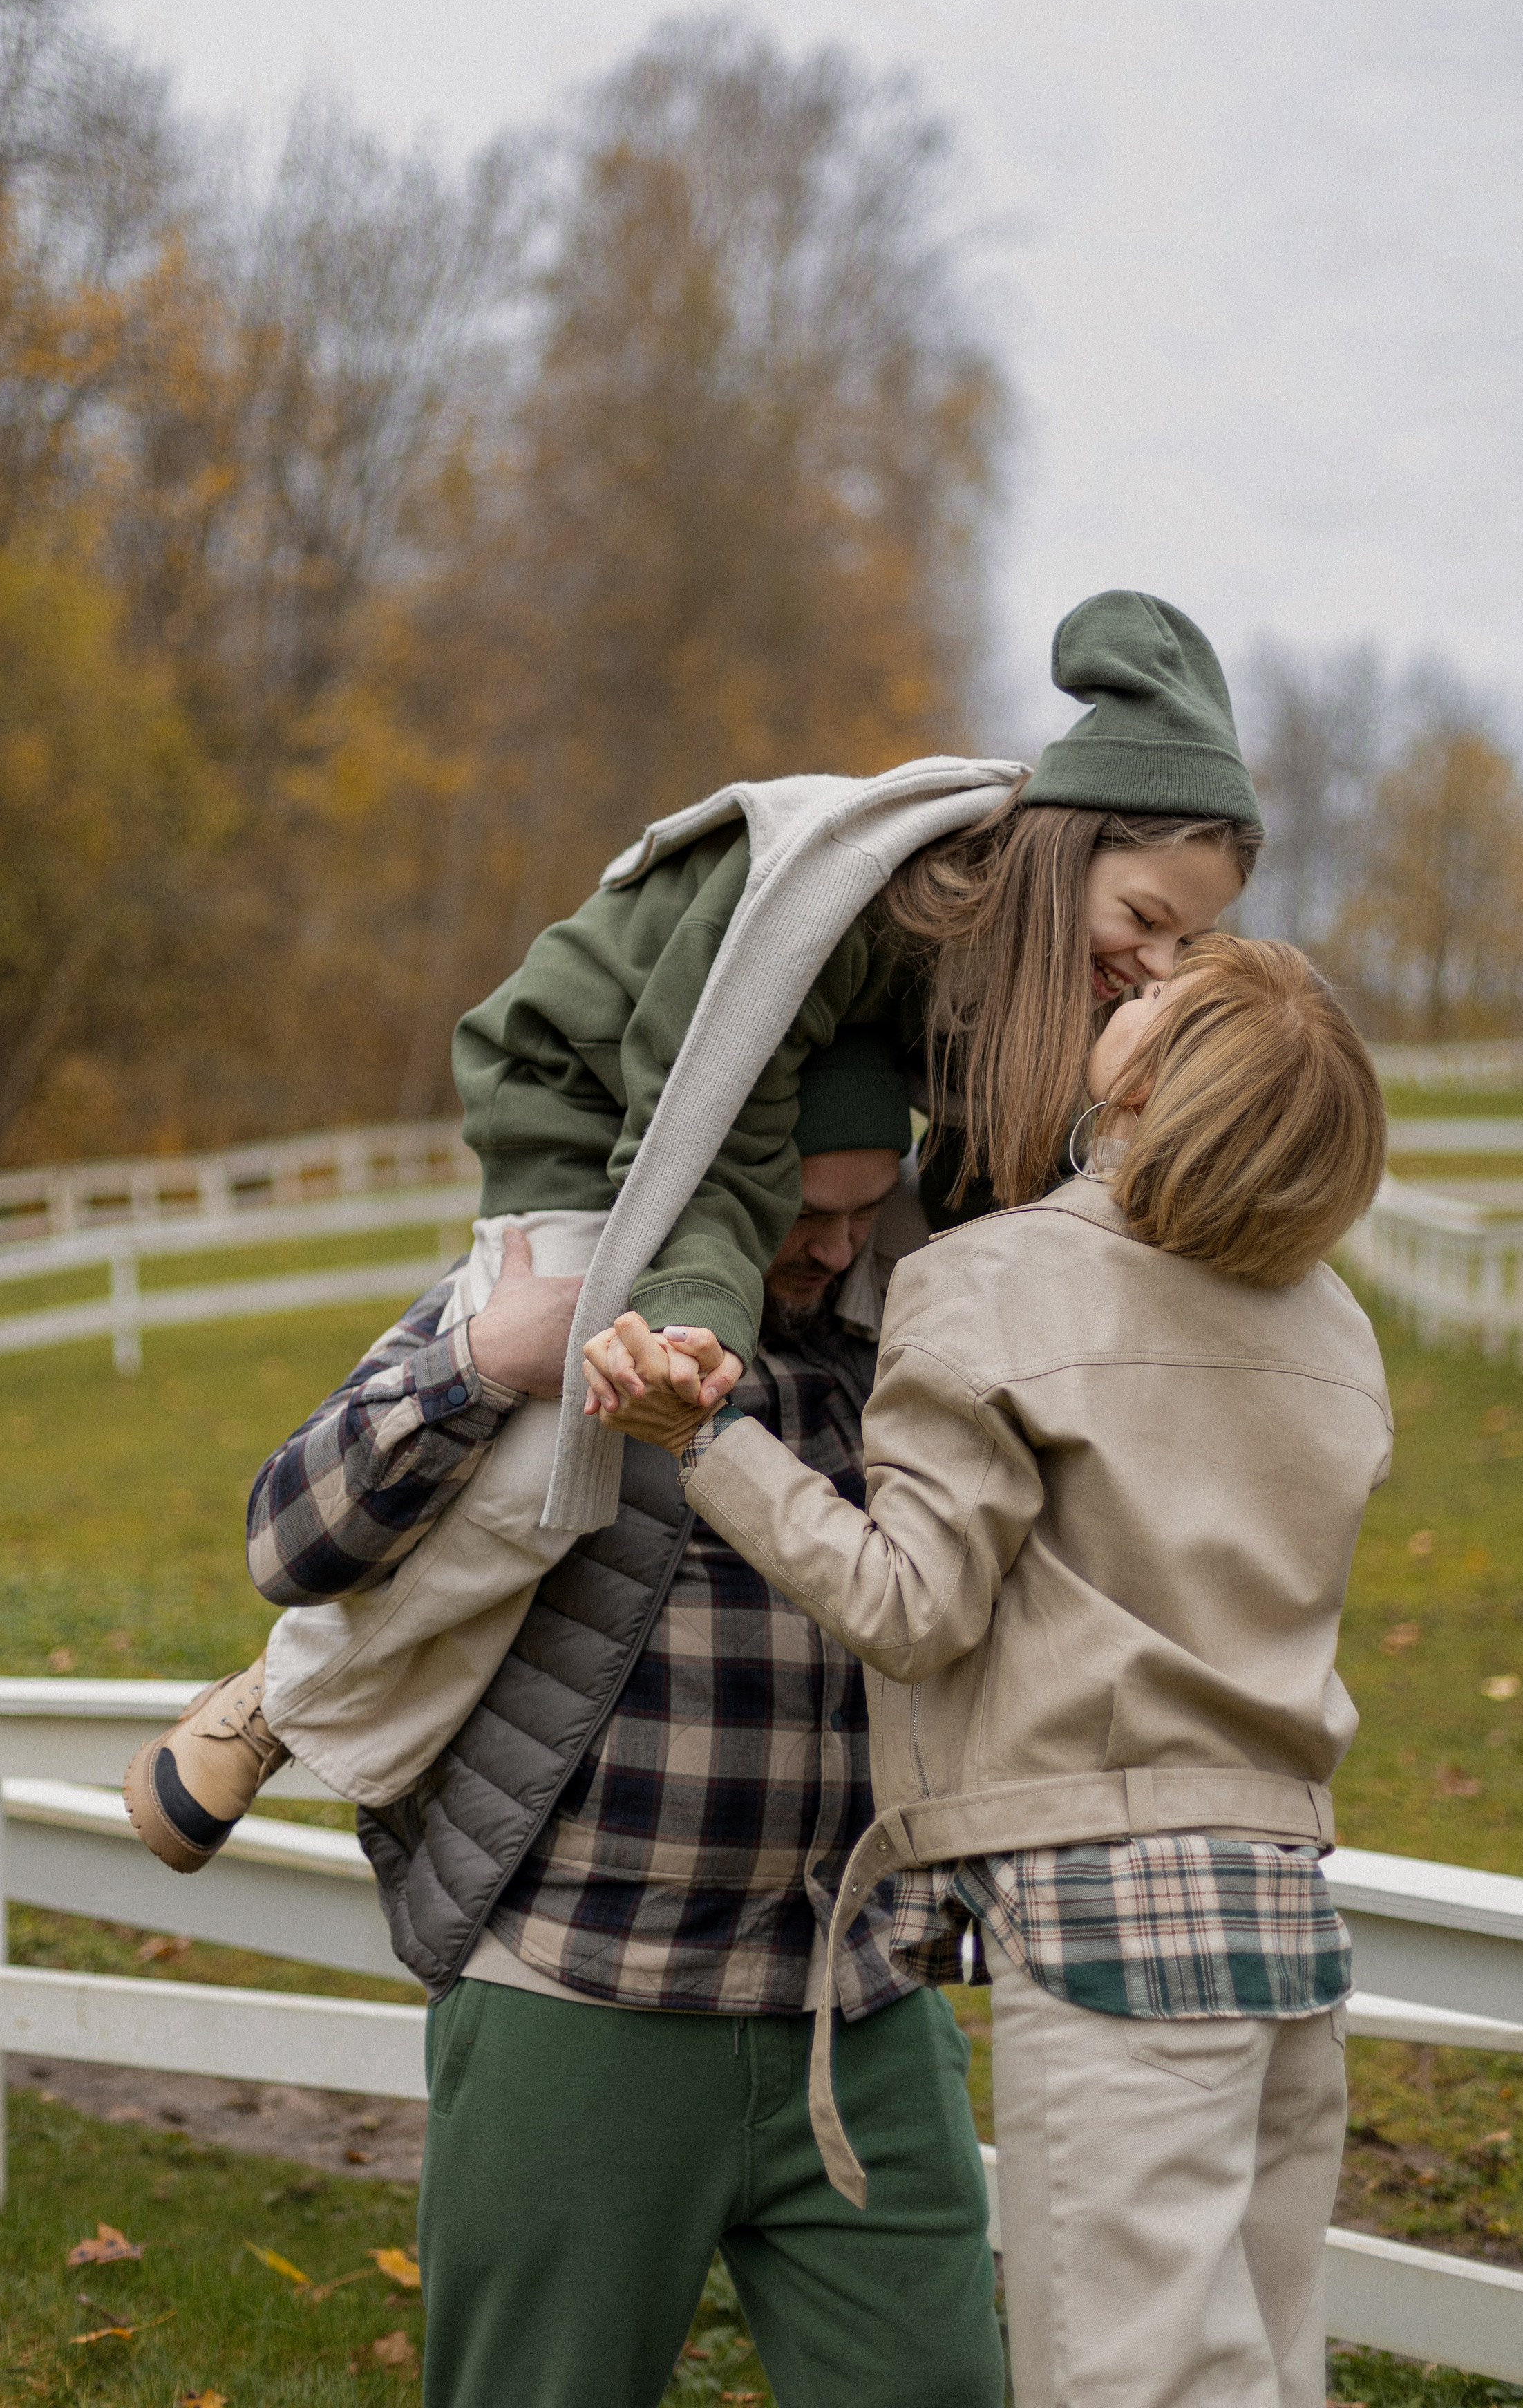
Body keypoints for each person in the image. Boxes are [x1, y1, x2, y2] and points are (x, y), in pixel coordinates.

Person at [125, 587, 1265, 1869]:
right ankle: (276, 1704)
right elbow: (705, 1138)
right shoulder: (851, 900)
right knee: (558, 1438)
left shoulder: (1020, 974)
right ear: (1065, 850)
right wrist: (689, 1337)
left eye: (1193, 937)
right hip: (597, 1095)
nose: (1158, 961)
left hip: (791, 1123)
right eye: (1148, 919)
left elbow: (985, 1183)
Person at [598, 935, 1391, 2408]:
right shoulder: (1334, 1326)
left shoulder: (994, 1277)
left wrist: (706, 1443)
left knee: (1128, 2383)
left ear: (1154, 1083)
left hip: (1107, 1907)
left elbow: (907, 1606)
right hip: (1285, 1903)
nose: (1124, 985)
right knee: (1267, 2363)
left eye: (1151, 1001)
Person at [209, 1048, 1008, 2408]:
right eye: (802, 1212)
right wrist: (478, 1366)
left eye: (867, 1209)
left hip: (859, 2012)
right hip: (581, 1989)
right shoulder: (569, 1304)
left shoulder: (903, 1348)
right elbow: (288, 1538)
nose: (834, 1245)